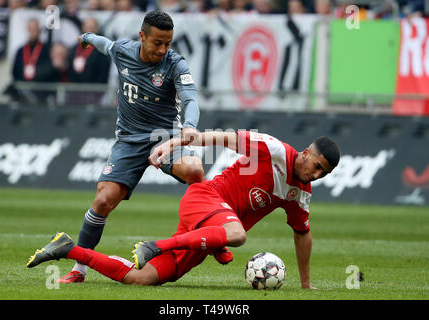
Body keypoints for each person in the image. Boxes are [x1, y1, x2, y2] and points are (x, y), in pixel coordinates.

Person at [27, 129, 340, 289]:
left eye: (322, 173)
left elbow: (303, 234)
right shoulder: (272, 149)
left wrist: (305, 284)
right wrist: (172, 145)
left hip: (208, 228)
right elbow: (220, 138)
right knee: (237, 235)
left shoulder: (301, 194)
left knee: (142, 279)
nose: (315, 174)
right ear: (305, 153)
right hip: (205, 197)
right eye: (316, 166)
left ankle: (67, 249)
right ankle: (156, 246)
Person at [55, 9, 206, 283]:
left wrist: (190, 126)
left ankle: (210, 239)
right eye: (157, 42)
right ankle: (79, 269)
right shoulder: (124, 50)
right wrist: (87, 37)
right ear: (142, 37)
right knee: (103, 200)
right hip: (129, 139)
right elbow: (105, 44)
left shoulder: (175, 64)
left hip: (166, 136)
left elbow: (190, 99)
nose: (163, 49)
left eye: (168, 43)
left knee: (195, 171)